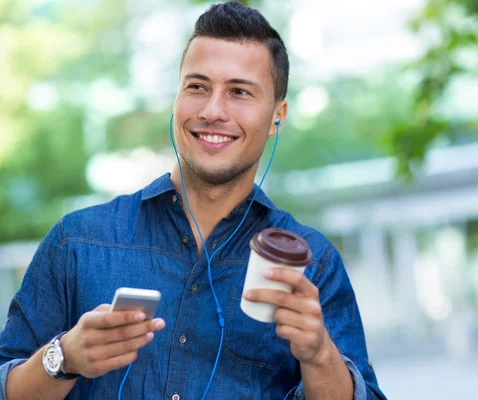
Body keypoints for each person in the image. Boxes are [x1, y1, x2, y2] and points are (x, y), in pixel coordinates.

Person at [0, 2, 387, 399]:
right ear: (176, 99)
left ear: (277, 116)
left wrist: (320, 355)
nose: (212, 110)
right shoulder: (76, 243)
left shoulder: (314, 264)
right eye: (197, 87)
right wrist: (63, 358)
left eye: (239, 92)